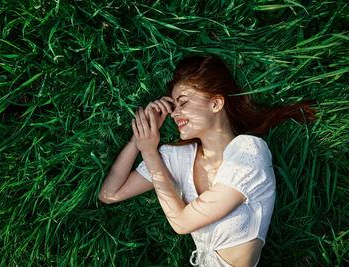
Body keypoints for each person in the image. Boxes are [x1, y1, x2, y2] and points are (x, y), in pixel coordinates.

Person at [98, 55, 317, 266]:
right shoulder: (177, 158)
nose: (175, 115)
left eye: (183, 103)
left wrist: (149, 152)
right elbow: (110, 194)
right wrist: (138, 141)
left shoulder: (249, 153)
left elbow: (182, 223)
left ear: (216, 103)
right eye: (173, 107)